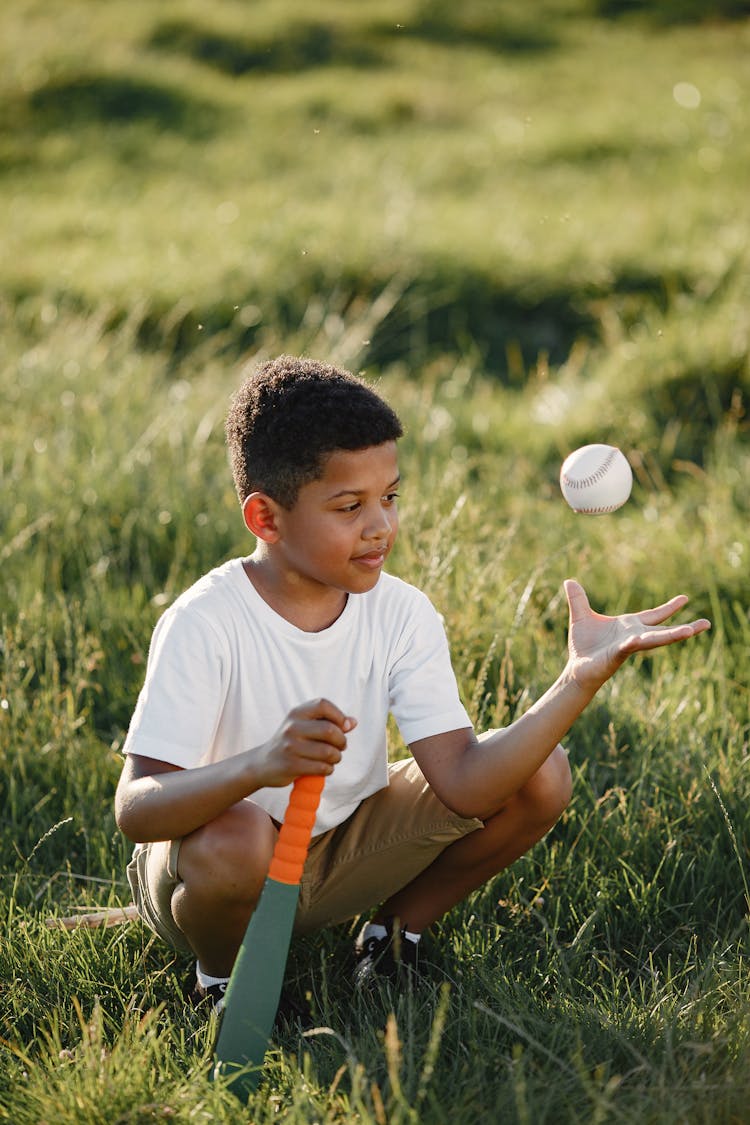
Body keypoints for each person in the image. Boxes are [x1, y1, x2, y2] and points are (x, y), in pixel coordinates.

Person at [115, 355, 710, 1014]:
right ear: (266, 518)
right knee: (238, 837)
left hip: (341, 846)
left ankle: (391, 937)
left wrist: (577, 679)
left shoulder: (400, 612)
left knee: (544, 773)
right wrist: (260, 765)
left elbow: (461, 780)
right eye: (350, 506)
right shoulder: (206, 620)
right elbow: (138, 808)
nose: (381, 526)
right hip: (213, 875)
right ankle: (223, 982)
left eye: (390, 496)